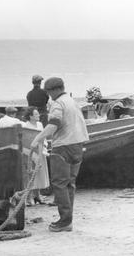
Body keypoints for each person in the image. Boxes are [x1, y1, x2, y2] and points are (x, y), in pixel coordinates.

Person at [29, 77, 89, 232]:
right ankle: (68, 218)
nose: (48, 95)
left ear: (54, 90)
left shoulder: (58, 104)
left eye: (49, 92)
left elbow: (53, 125)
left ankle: (65, 221)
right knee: (70, 183)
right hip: (78, 145)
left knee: (60, 184)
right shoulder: (72, 101)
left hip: (63, 146)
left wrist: (37, 139)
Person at [22, 106, 50, 205]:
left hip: (40, 150)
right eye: (36, 114)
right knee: (31, 175)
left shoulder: (40, 124)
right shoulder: (26, 126)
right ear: (30, 116)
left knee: (40, 174)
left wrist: (45, 147)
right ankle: (29, 197)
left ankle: (37, 196)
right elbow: (25, 142)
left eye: (38, 113)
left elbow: (44, 137)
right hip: (31, 154)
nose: (39, 115)